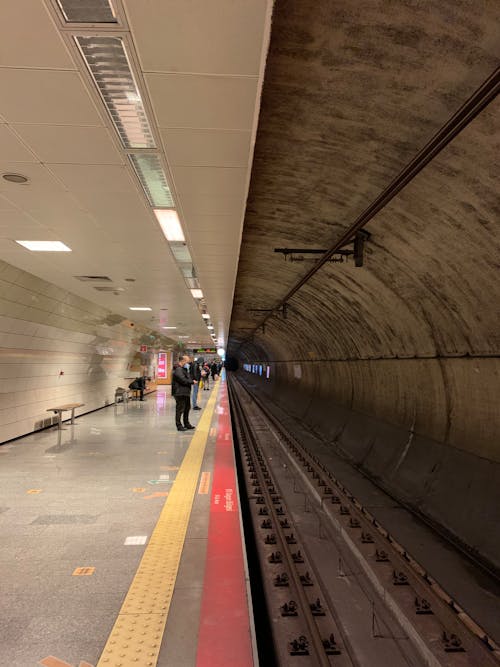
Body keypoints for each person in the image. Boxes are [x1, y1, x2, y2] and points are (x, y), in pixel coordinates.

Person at [171, 355, 196, 431]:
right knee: (180, 409)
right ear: (183, 361)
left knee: (187, 408)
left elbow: (187, 378)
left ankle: (186, 423)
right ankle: (179, 425)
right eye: (187, 362)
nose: (188, 363)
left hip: (185, 392)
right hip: (180, 392)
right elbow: (183, 380)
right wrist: (192, 381)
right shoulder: (178, 369)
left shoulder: (183, 369)